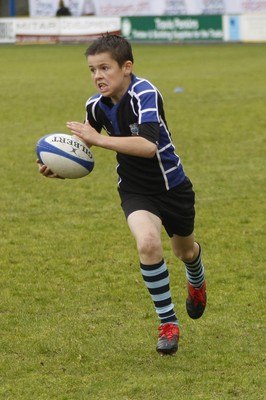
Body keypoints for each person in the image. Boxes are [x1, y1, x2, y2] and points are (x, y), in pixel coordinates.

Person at [38, 34, 207, 356]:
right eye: (92, 70)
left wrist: (97, 140)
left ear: (126, 67)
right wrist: (57, 164)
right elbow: (82, 145)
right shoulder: (95, 105)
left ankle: (196, 280)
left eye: (105, 68)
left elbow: (147, 146)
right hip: (135, 189)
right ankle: (167, 324)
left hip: (173, 186)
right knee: (147, 243)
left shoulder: (145, 93)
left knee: (185, 252)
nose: (98, 76)